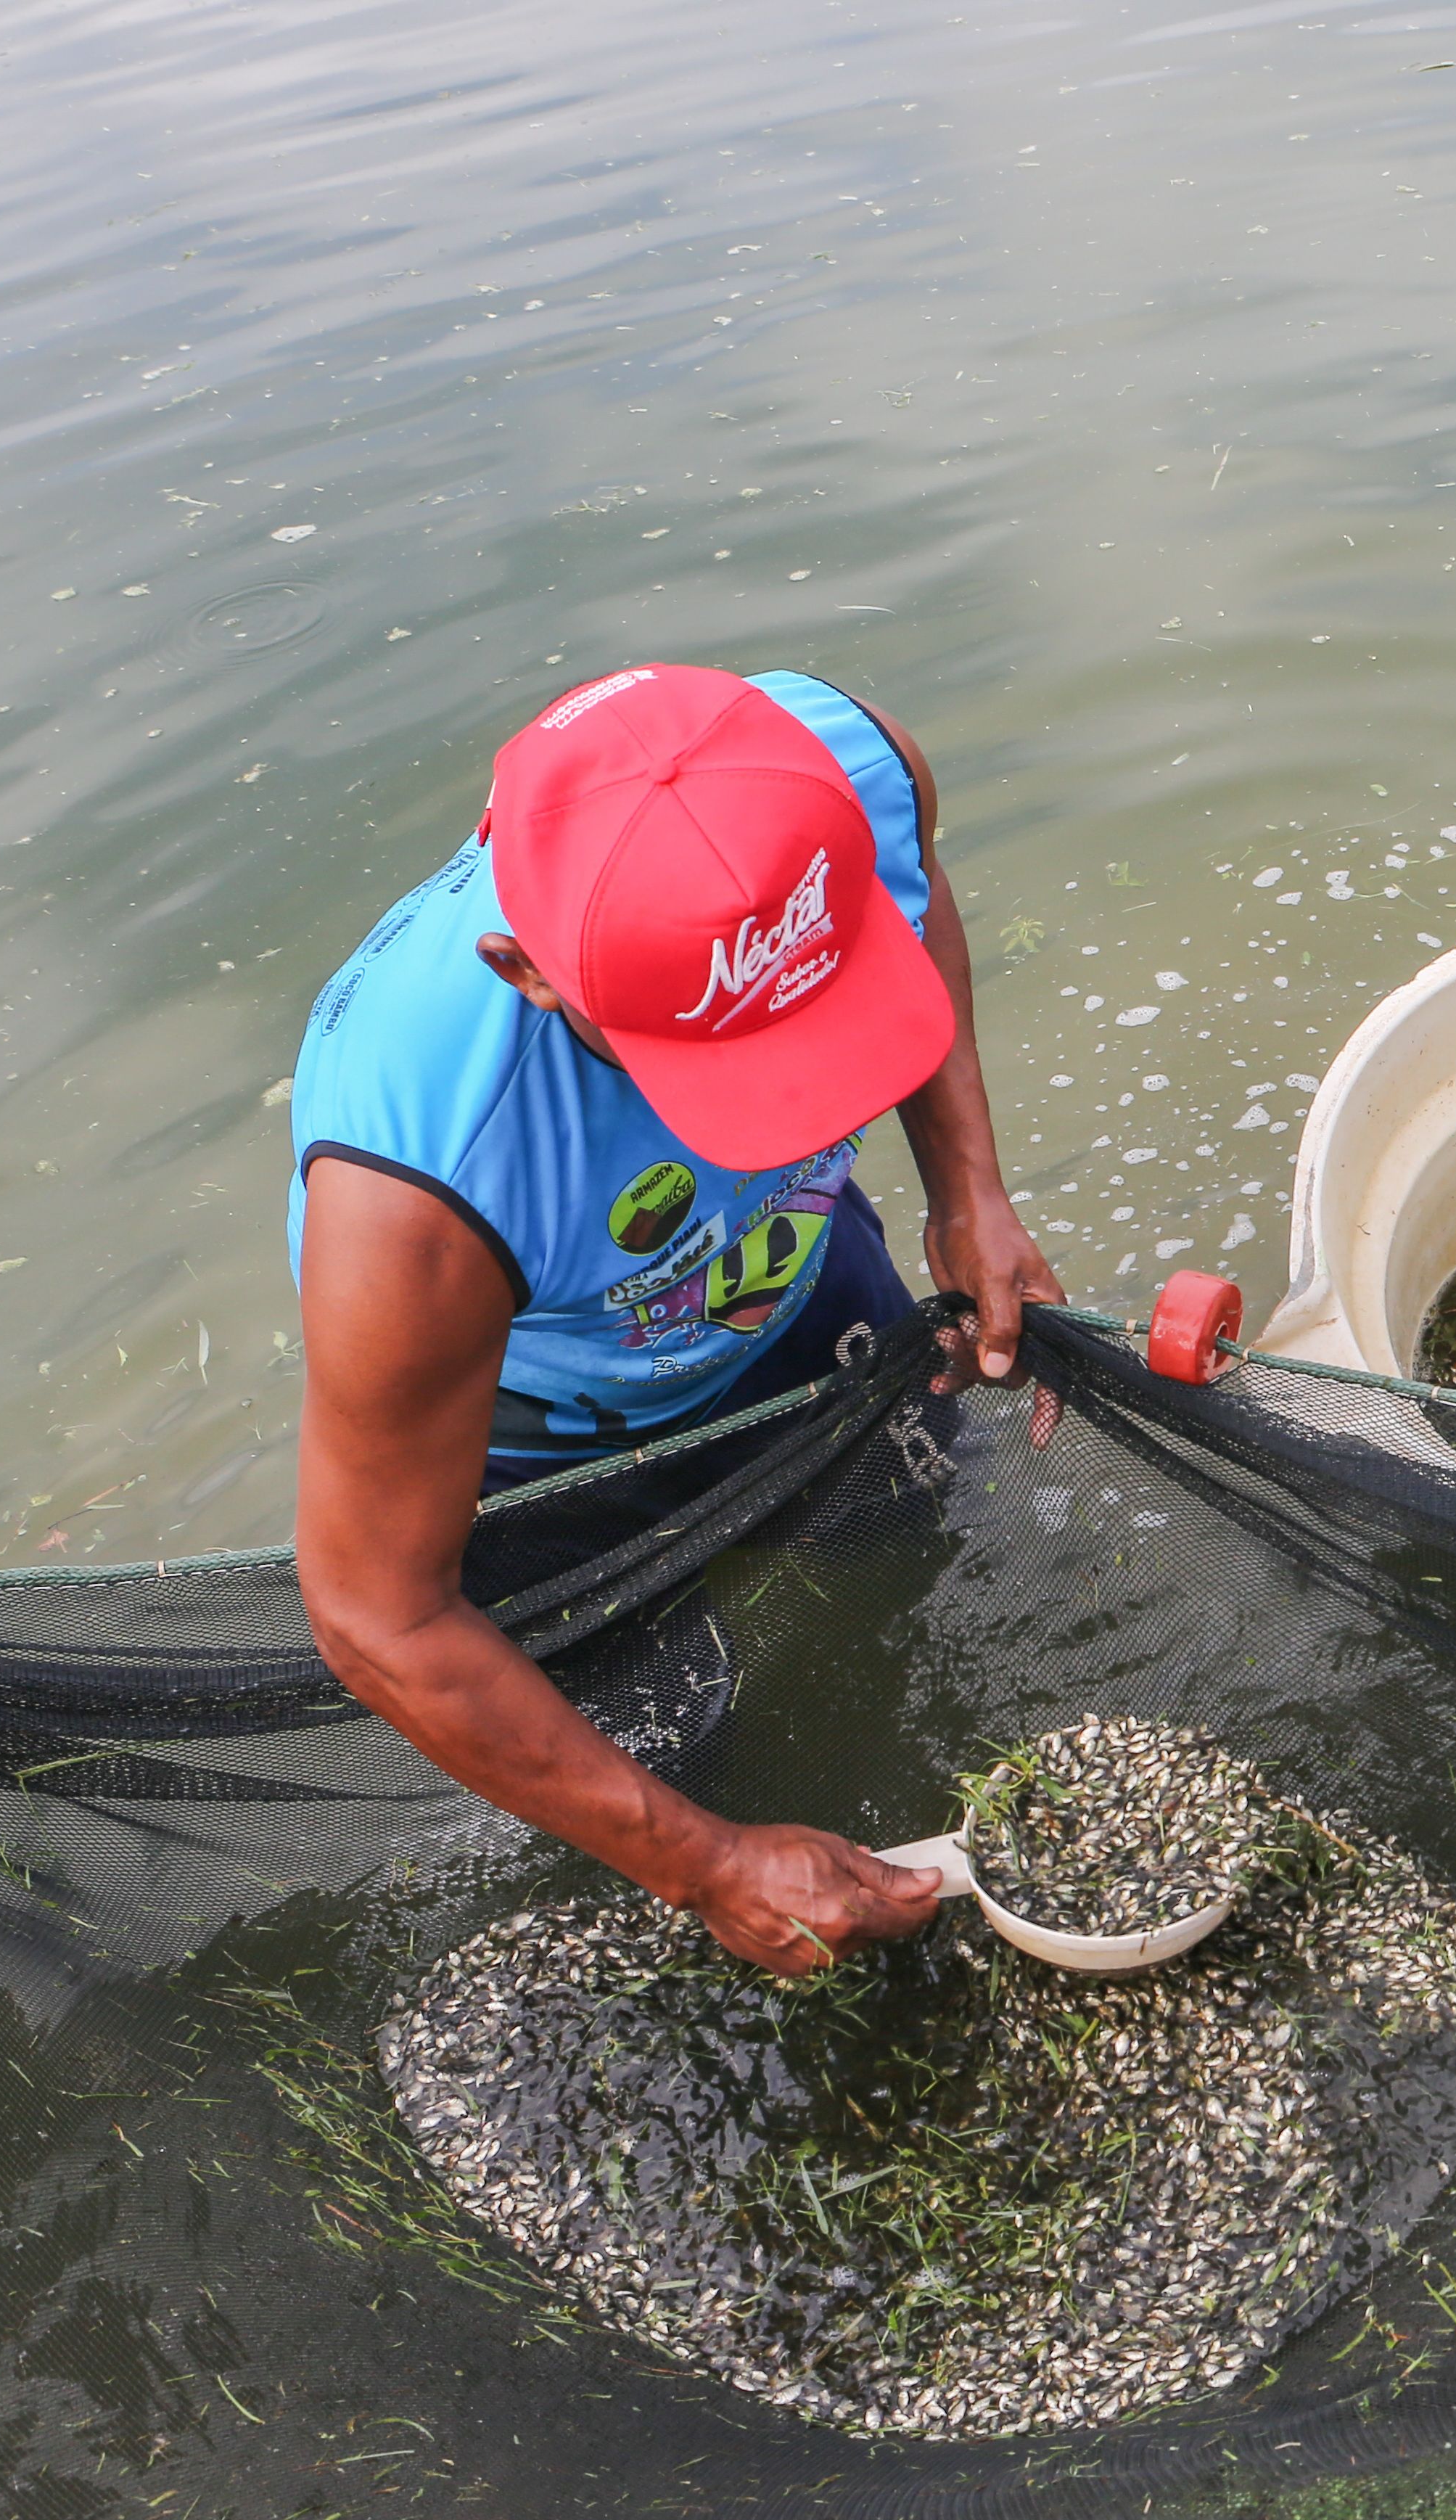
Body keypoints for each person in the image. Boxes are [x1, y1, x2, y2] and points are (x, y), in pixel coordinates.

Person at [286, 662, 1061, 1971]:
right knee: (672, 1739)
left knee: (902, 1585)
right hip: (566, 1429)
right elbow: (376, 1613)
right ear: (526, 970)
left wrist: (967, 1187)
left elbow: (914, 915)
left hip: (799, 1285)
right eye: (744, 1065)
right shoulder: (418, 1188)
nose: (819, 1104)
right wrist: (703, 1862)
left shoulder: (850, 768)